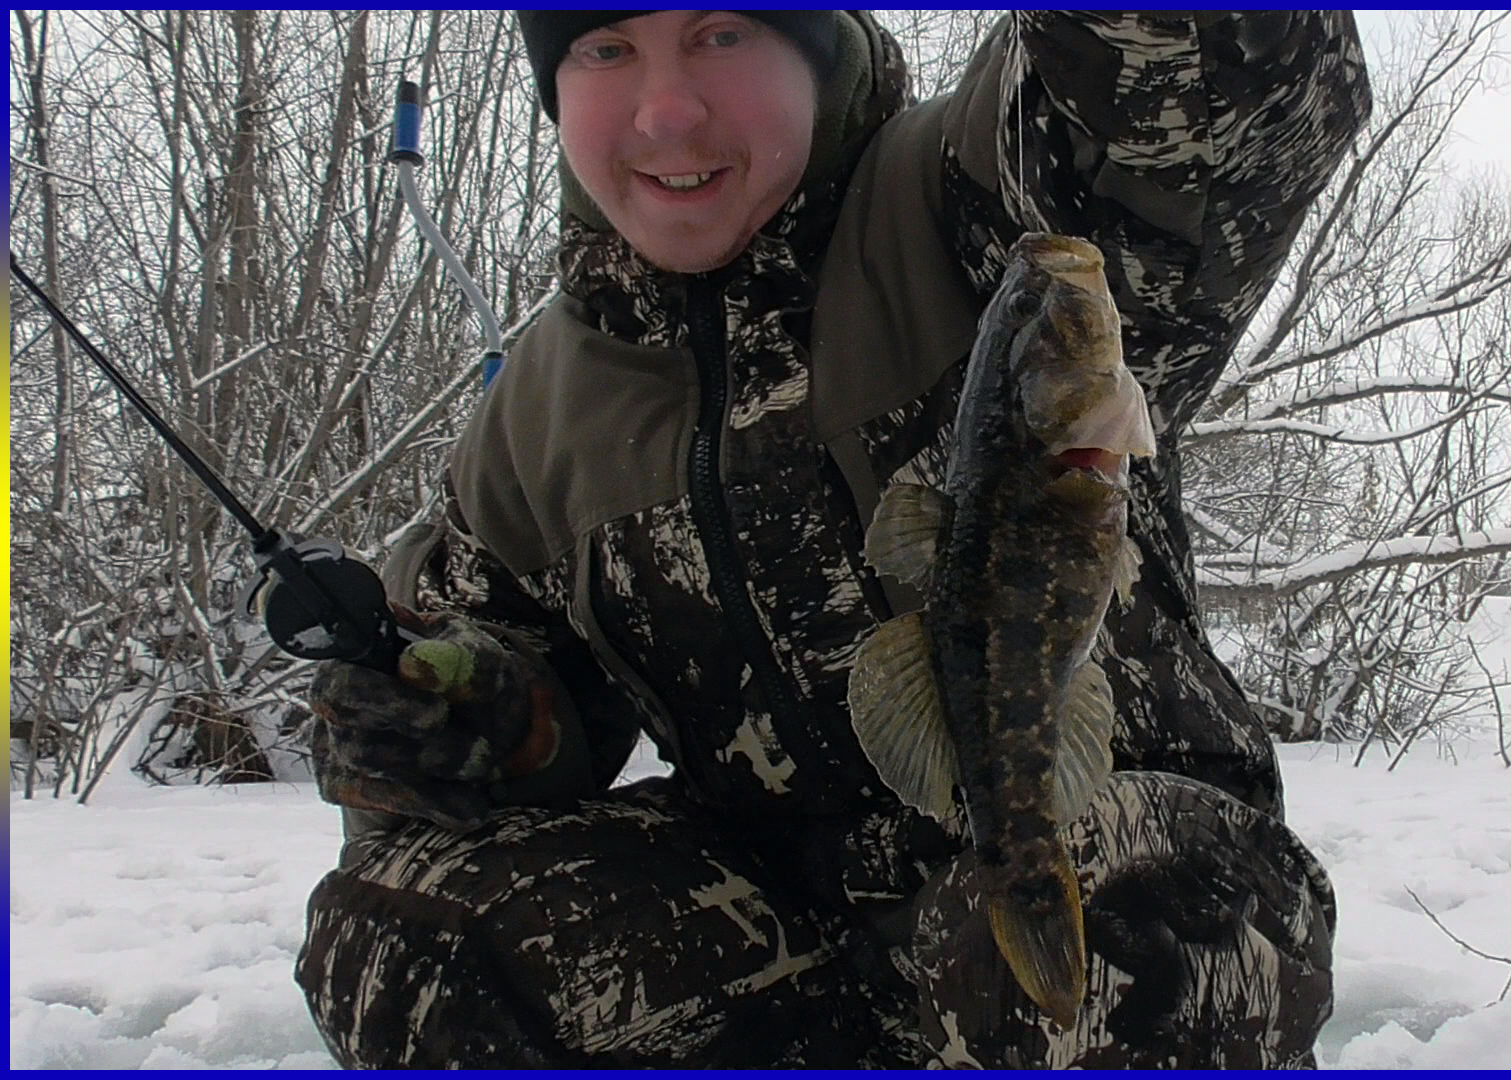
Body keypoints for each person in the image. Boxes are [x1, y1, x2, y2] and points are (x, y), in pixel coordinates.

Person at [295, 9, 1371, 1069]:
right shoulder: (532, 414)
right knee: (412, 941)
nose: (666, 111)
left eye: (722, 33)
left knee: (1134, 911)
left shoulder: (977, 199)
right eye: (607, 48)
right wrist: (447, 710)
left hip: (1088, 861)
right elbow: (488, 722)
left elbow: (1199, 106)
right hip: (778, 945)